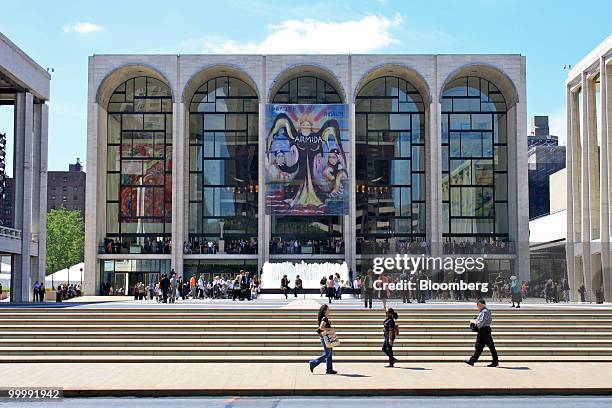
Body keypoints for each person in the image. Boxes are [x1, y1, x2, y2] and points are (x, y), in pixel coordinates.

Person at [465, 299, 499, 367]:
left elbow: (480, 323)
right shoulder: (484, 311)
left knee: (491, 346)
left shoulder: (485, 312)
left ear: (482, 305)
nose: (478, 307)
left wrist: (473, 322)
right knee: (478, 346)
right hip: (483, 331)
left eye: (479, 305)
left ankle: (495, 361)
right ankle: (472, 361)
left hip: (484, 330)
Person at [309, 304, 337, 374]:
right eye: (328, 309)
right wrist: (330, 328)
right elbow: (321, 327)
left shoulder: (324, 318)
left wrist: (329, 323)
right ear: (325, 310)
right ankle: (313, 363)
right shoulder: (324, 318)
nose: (329, 310)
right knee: (328, 353)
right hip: (325, 337)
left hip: (326, 337)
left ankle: (329, 369)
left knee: (330, 353)